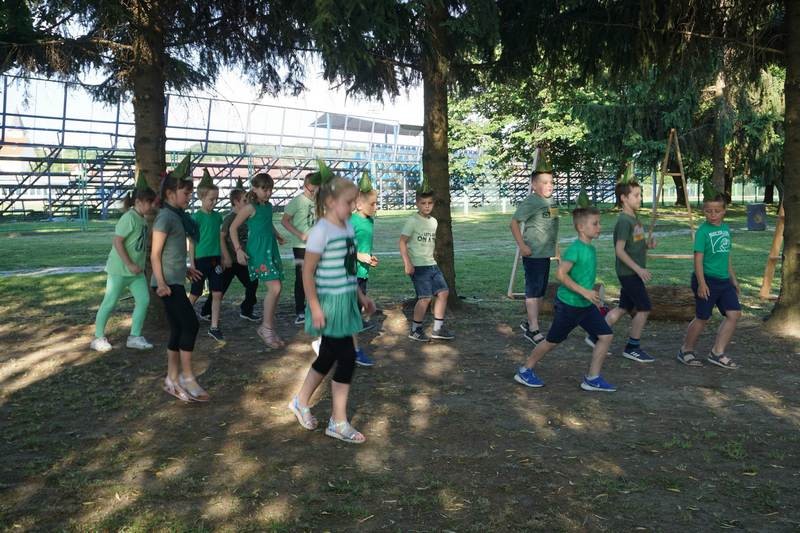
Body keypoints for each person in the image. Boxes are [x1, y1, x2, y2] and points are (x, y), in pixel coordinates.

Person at [288, 173, 375, 444]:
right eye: (348, 202)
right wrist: (315, 307)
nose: (353, 207)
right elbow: (307, 273)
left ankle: (300, 401)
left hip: (346, 301)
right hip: (328, 305)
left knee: (327, 356)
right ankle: (337, 421)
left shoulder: (347, 228)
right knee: (347, 357)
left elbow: (348, 269)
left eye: (354, 202)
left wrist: (361, 296)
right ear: (329, 202)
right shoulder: (321, 231)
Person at [514, 203, 617, 392]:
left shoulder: (591, 249)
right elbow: (560, 274)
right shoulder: (575, 249)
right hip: (569, 307)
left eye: (599, 223)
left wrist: (592, 297)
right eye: (595, 223)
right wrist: (585, 292)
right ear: (581, 227)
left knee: (606, 336)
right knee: (551, 341)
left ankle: (592, 378)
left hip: (585, 306)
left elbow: (584, 277)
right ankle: (525, 370)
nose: (599, 227)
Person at [585, 172, 656, 362]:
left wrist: (647, 245)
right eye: (636, 195)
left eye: (640, 195)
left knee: (624, 307)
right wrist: (638, 269)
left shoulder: (634, 218)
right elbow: (619, 250)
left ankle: (595, 335)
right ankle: (632, 347)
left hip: (632, 272)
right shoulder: (624, 221)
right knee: (644, 308)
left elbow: (636, 242)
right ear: (624, 198)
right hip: (629, 273)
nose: (639, 198)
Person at [152, 170, 208, 402]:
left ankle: (171, 379)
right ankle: (187, 377)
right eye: (185, 193)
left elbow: (170, 254)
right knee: (191, 325)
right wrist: (161, 283)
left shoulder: (177, 216)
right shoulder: (165, 217)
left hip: (174, 280)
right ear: (170, 193)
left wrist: (185, 270)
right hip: (167, 285)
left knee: (177, 329)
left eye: (190, 193)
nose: (189, 197)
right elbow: (155, 254)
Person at [677, 187, 741, 369]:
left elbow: (726, 255)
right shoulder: (702, 232)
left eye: (717, 211)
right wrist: (702, 283)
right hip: (706, 280)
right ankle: (686, 350)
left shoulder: (726, 229)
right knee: (702, 317)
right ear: (703, 211)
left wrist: (733, 278)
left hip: (724, 281)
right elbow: (698, 259)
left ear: (724, 211)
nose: (713, 215)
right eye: (708, 211)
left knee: (734, 314)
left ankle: (717, 352)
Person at [90, 178, 156, 352]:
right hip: (119, 270)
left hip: (136, 273)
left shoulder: (142, 219)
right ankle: (98, 338)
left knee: (143, 300)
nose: (152, 206)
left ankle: (134, 337)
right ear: (138, 202)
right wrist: (129, 264)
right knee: (110, 302)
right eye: (149, 202)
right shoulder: (129, 218)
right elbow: (117, 242)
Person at [229, 173, 286, 348]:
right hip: (258, 251)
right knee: (275, 287)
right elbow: (232, 228)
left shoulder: (268, 206)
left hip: (270, 249)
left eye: (270, 189)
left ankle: (269, 327)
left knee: (278, 288)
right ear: (254, 188)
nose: (268, 193)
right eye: (264, 189)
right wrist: (238, 250)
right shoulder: (249, 208)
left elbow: (268, 223)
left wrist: (277, 235)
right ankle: (266, 328)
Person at [510, 153, 559, 345]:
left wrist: (556, 249)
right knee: (533, 291)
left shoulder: (552, 201)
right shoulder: (531, 201)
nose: (549, 186)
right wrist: (522, 246)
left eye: (551, 182)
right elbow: (514, 223)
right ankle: (533, 329)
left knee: (540, 291)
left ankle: (530, 322)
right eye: (544, 183)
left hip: (545, 254)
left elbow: (553, 226)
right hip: (533, 254)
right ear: (534, 185)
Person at [399, 176, 455, 342]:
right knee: (425, 298)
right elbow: (402, 242)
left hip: (432, 265)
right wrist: (407, 263)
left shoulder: (434, 222)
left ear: (434, 203)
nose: (427, 206)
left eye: (430, 203)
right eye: (423, 203)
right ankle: (415, 330)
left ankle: (438, 328)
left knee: (443, 292)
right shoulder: (412, 221)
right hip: (418, 266)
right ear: (417, 203)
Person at [199, 186, 260, 321]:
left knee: (252, 283)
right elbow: (221, 237)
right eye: (244, 201)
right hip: (230, 261)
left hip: (242, 260)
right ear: (236, 202)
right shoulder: (229, 218)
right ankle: (206, 311)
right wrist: (226, 257)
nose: (248, 203)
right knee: (220, 289)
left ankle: (246, 310)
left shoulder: (247, 217)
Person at [187, 170, 225, 341]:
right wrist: (192, 263)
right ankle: (183, 318)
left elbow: (219, 238)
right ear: (201, 198)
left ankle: (214, 327)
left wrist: (223, 256)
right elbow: (192, 242)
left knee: (217, 293)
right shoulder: (196, 217)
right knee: (195, 293)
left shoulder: (218, 217)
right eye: (211, 199)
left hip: (215, 260)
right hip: (200, 261)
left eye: (216, 199)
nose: (214, 202)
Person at [281, 172, 319, 325]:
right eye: (313, 189)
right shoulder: (297, 201)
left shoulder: (319, 201)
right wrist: (300, 235)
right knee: (302, 278)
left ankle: (315, 307)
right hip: (301, 247)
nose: (315, 192)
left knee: (318, 277)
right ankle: (300, 310)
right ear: (306, 186)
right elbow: (284, 221)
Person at [350, 172, 379, 366]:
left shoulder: (369, 221)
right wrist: (359, 256)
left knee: (354, 310)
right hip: (350, 272)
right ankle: (353, 351)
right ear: (359, 204)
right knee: (352, 312)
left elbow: (364, 247)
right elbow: (345, 247)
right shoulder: (351, 221)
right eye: (373, 204)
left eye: (376, 203)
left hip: (362, 272)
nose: (376, 207)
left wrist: (369, 257)